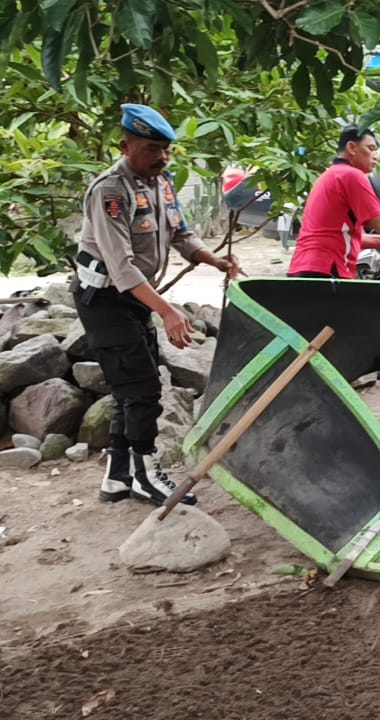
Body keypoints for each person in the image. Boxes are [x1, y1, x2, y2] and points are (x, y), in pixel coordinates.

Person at [72, 103, 243, 507]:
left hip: (133, 298)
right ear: (125, 146)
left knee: (129, 389)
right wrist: (166, 310)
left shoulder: (160, 182)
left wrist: (213, 259)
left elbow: (181, 233)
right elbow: (120, 266)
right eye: (151, 149)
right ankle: (146, 477)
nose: (162, 157)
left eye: (166, 149)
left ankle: (118, 477)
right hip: (106, 300)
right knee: (143, 389)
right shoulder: (111, 192)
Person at [287, 126, 380, 278]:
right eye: (371, 148)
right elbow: (379, 221)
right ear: (352, 148)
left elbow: (334, 234)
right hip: (327, 267)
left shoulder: (329, 175)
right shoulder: (351, 175)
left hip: (304, 266)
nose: (375, 156)